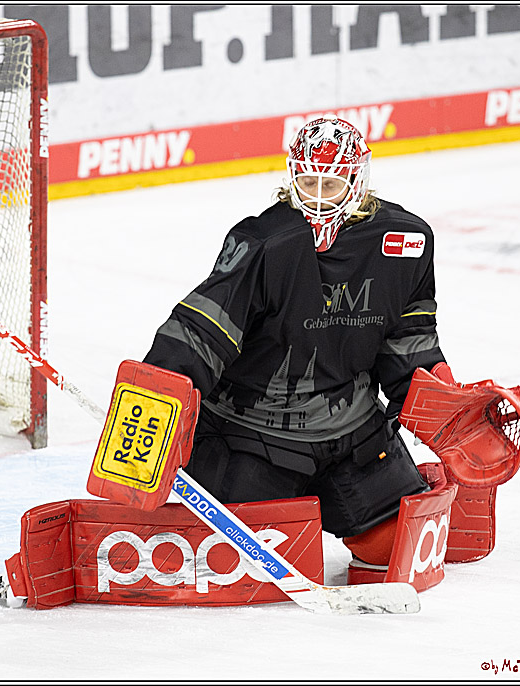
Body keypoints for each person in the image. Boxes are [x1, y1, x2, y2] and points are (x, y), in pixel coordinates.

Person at [141, 116, 447, 570]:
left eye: (332, 185)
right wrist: (152, 403)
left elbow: (409, 343)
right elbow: (201, 329)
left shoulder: (404, 241)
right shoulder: (265, 243)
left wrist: (448, 412)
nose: (318, 199)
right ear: (291, 177)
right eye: (308, 183)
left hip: (352, 428)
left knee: (391, 546)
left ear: (357, 180)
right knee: (231, 561)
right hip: (254, 431)